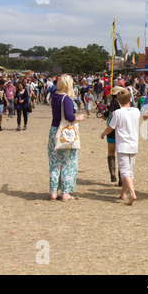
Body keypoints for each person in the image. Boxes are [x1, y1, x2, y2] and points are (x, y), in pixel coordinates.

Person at [48, 74, 86, 202]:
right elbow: (70, 116)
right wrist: (79, 118)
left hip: (54, 130)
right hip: (65, 133)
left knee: (54, 163)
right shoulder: (67, 99)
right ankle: (65, 193)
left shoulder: (55, 97)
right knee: (67, 164)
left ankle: (53, 192)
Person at [101, 88, 141, 205]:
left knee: (124, 171)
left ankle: (132, 194)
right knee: (129, 170)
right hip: (133, 144)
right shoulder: (136, 111)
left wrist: (103, 133)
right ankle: (123, 193)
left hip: (123, 145)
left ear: (118, 100)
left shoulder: (118, 113)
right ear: (130, 99)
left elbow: (110, 127)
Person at [104, 86, 123, 185]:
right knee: (121, 154)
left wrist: (105, 114)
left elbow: (110, 113)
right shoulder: (126, 104)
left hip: (112, 130)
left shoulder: (113, 102)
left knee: (111, 152)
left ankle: (112, 174)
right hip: (122, 131)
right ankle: (121, 178)